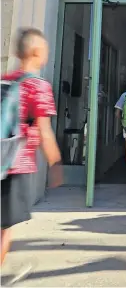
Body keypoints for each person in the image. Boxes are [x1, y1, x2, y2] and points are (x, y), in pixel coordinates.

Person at [1, 28, 63, 281]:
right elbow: (44, 131)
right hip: (15, 164)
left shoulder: (5, 81)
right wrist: (56, 163)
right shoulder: (38, 86)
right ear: (38, 53)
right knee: (4, 230)